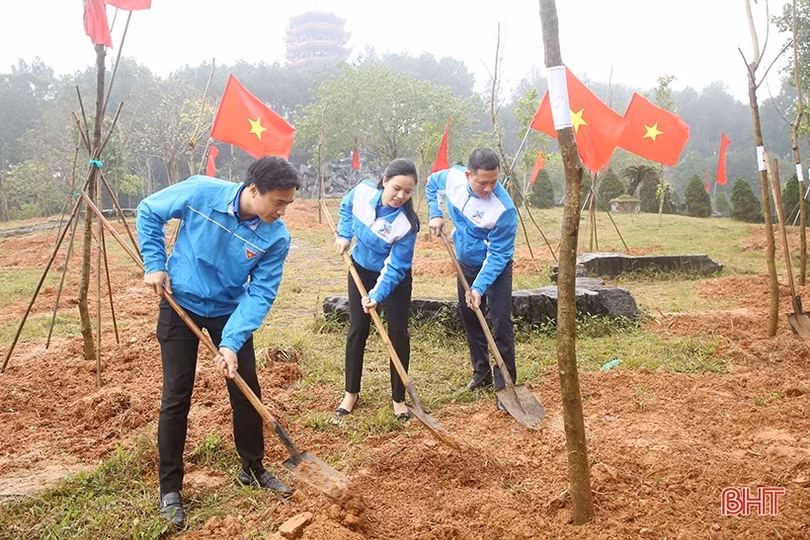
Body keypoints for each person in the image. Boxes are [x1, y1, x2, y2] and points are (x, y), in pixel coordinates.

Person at [136, 156, 300, 527]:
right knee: (177, 394)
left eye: (288, 203)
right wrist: (155, 263)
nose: (283, 211)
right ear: (253, 190)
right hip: (182, 304)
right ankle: (170, 488)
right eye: (278, 202)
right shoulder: (201, 191)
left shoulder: (276, 237)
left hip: (229, 309)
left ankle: (252, 468)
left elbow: (260, 293)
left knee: (245, 389)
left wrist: (231, 342)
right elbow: (149, 210)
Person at [425, 148, 518, 411]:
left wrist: (479, 286)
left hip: (495, 267)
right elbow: (432, 184)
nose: (489, 188)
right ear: (468, 175)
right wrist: (436, 213)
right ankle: (482, 374)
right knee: (470, 315)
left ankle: (505, 385)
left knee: (499, 321)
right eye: (482, 182)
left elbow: (499, 254)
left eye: (494, 181)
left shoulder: (504, 210)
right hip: (465, 261)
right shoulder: (453, 178)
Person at [333, 158, 420, 422]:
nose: (401, 196)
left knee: (397, 333)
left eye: (407, 191)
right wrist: (344, 234)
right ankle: (351, 392)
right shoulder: (362, 193)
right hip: (360, 268)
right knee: (358, 329)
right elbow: (345, 207)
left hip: (393, 280)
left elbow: (396, 266)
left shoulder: (407, 225)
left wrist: (376, 296)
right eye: (396, 188)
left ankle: (398, 398)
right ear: (384, 182)